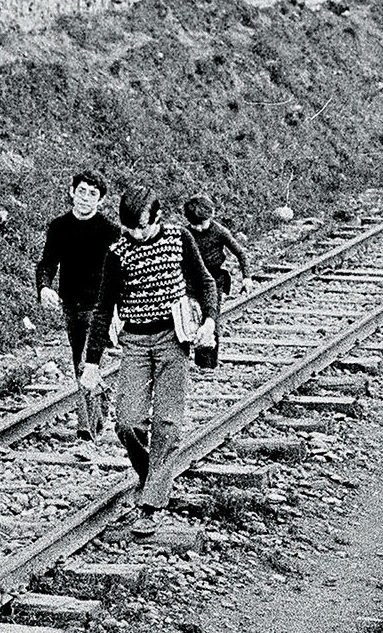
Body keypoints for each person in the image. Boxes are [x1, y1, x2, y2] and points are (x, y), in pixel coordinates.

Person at [82, 187, 219, 536]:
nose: (136, 235)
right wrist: (92, 363)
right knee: (128, 423)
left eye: (142, 227)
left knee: (167, 423)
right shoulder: (118, 253)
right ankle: (153, 476)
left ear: (158, 218)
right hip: (136, 342)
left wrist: (210, 321)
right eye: (129, 229)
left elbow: (205, 281)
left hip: (173, 339)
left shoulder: (179, 239)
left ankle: (151, 503)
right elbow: (102, 311)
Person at [36, 170, 121, 447]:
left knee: (87, 363)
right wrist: (45, 286)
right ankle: (100, 405)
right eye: (81, 191)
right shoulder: (59, 227)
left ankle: (86, 432)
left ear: (102, 200)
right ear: (72, 191)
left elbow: (121, 272)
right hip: (70, 305)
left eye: (93, 194)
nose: (85, 198)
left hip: (99, 308)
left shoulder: (109, 231)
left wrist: (118, 310)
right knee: (79, 365)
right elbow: (47, 263)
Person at [182, 194, 252, 369]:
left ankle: (208, 364)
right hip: (191, 280)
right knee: (190, 317)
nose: (198, 229)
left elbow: (240, 253)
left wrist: (247, 278)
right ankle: (189, 360)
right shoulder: (185, 233)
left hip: (214, 280)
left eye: (202, 223)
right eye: (194, 224)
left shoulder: (219, 231)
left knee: (210, 316)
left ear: (210, 216)